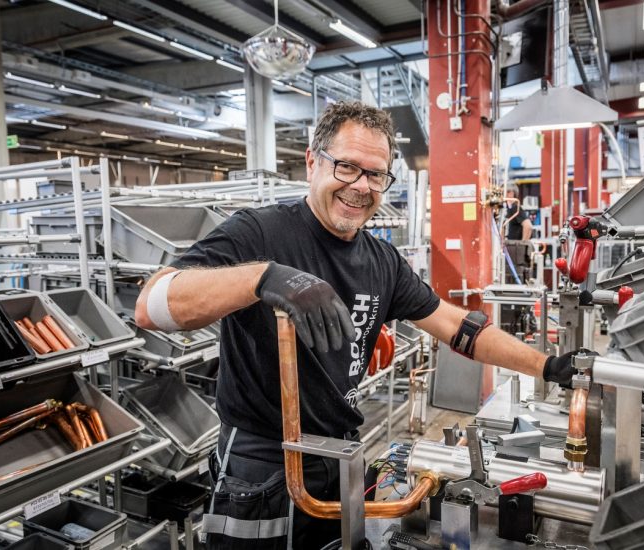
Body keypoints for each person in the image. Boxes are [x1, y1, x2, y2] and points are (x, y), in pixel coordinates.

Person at [134, 101, 578, 549]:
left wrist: (548, 366)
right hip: (263, 465)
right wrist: (261, 277)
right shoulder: (259, 232)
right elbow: (151, 306)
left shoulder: (382, 261)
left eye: (376, 174)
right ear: (313, 161)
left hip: (341, 455)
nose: (361, 186)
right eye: (347, 167)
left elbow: (460, 328)